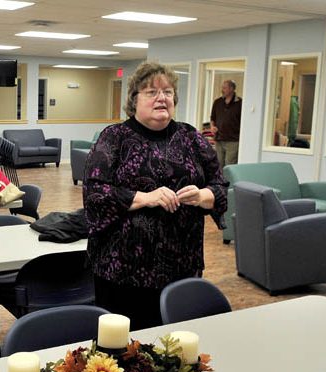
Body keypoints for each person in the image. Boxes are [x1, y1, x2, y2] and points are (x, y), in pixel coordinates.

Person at [82, 62, 228, 331]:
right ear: (134, 100)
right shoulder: (114, 138)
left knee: (175, 344)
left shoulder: (191, 138)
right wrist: (146, 197)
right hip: (123, 271)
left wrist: (202, 195)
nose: (162, 98)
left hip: (182, 266)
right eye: (151, 92)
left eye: (168, 92)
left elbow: (220, 187)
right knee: (127, 350)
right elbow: (95, 194)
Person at [210, 79, 242, 167]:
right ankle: (220, 181)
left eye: (225, 88)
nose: (222, 90)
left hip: (233, 141)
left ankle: (229, 181)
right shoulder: (217, 102)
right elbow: (213, 118)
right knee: (219, 164)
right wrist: (212, 127)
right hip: (219, 139)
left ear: (232, 89)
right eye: (222, 88)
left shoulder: (240, 103)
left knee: (229, 165)